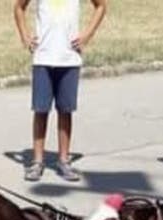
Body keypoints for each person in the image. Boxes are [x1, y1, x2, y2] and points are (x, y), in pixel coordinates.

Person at [13, 0, 107, 183]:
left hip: (69, 58)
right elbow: (19, 7)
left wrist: (87, 35)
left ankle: (64, 160)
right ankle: (37, 161)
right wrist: (25, 36)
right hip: (43, 57)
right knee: (41, 110)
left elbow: (101, 6)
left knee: (65, 110)